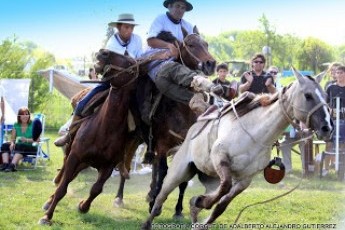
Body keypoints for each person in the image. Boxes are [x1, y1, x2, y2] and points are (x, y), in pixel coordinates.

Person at [54, 13, 143, 147]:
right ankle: (69, 134)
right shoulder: (112, 42)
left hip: (131, 83)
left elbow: (139, 58)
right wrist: (132, 62)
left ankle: (147, 141)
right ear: (119, 27)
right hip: (111, 82)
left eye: (131, 27)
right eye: (126, 27)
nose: (129, 30)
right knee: (82, 104)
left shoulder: (137, 39)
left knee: (145, 107)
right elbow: (126, 60)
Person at [141, 0, 223, 122]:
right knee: (169, 71)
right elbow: (150, 41)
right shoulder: (161, 19)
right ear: (169, 6)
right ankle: (202, 84)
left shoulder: (188, 26)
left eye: (183, 8)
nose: (180, 10)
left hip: (178, 62)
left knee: (191, 71)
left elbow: (194, 44)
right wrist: (169, 46)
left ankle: (206, 103)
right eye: (177, 6)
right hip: (158, 60)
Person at [0, 107, 38, 172]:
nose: (25, 116)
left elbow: (37, 140)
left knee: (20, 146)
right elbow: (13, 138)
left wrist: (26, 140)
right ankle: (5, 164)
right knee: (5, 145)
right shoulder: (16, 124)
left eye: (26, 114)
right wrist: (12, 143)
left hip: (31, 148)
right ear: (19, 116)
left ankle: (12, 165)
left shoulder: (33, 124)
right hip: (19, 146)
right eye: (22, 114)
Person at [323, 65, 345, 176]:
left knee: (342, 145)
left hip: (344, 121)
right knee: (329, 144)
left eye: (341, 72)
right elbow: (325, 103)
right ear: (334, 74)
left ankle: (341, 169)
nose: (339, 75)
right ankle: (326, 169)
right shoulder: (330, 88)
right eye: (337, 73)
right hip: (332, 121)